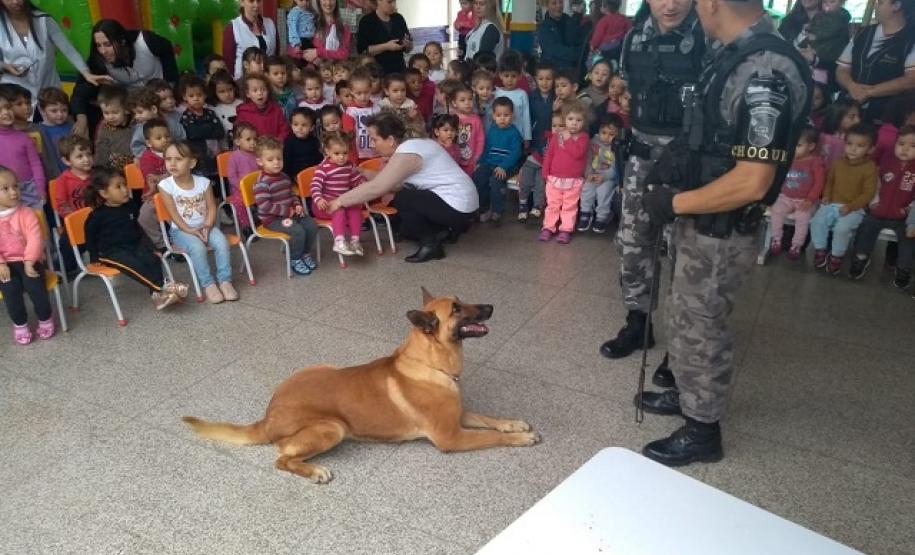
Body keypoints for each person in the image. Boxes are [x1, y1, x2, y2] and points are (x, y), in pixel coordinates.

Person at [636, 0, 811, 466]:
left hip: (722, 227)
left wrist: (673, 204)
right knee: (685, 314)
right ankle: (686, 393)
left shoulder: (765, 70)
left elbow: (753, 180)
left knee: (702, 324)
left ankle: (702, 430)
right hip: (701, 218)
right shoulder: (732, 53)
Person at [599, 0, 707, 365]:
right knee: (633, 242)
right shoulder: (634, 39)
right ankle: (638, 322)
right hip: (641, 157)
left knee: (683, 251)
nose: (670, 5)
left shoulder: (709, 38)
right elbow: (627, 88)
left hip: (687, 162)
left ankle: (680, 345)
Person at [326, 113, 478, 262]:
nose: (372, 145)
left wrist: (339, 201)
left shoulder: (407, 152)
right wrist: (363, 172)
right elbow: (391, 182)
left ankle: (431, 245)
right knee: (406, 208)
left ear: (391, 140)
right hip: (465, 204)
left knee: (403, 198)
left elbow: (379, 187)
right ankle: (444, 231)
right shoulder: (417, 144)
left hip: (458, 206)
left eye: (375, 139)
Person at [83, 167, 188, 311]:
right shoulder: (98, 216)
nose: (125, 189)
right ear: (104, 193)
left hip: (134, 244)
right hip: (112, 252)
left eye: (124, 184)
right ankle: (164, 287)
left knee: (153, 258)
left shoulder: (131, 204)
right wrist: (93, 255)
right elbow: (89, 234)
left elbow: (137, 228)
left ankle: (158, 296)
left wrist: (151, 247)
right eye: (118, 187)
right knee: (135, 265)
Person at [158, 141, 237, 304]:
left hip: (205, 226)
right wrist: (189, 230)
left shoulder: (203, 182)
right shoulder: (165, 185)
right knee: (197, 247)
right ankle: (208, 284)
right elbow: (173, 214)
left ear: (192, 163)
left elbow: (212, 207)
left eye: (178, 159)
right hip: (181, 231)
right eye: (168, 159)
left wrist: (207, 226)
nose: (172, 163)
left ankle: (225, 281)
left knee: (222, 243)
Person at [0, 0, 109, 116]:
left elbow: (68, 49)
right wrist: (5, 66)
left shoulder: (43, 19)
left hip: (49, 91)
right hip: (14, 94)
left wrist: (86, 73)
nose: (15, 2)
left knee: (56, 120)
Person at [70, 19, 177, 137]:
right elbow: (80, 91)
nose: (103, 51)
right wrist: (81, 119)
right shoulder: (99, 60)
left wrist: (169, 89)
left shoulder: (145, 41)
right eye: (98, 46)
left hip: (162, 97)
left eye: (108, 44)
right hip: (133, 109)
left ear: (122, 41)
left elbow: (167, 50)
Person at [848, 125, 915, 284]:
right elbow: (875, 182)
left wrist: (908, 211)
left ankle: (903, 268)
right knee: (866, 229)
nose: (905, 149)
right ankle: (861, 258)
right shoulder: (886, 160)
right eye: (901, 144)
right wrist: (874, 202)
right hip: (878, 211)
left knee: (909, 238)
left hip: (902, 216)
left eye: (913, 146)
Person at [810, 123, 879, 274]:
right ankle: (820, 250)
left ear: (871, 149)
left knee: (842, 229)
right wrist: (826, 195)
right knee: (817, 221)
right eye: (849, 144)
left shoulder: (870, 168)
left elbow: (868, 193)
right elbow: (830, 181)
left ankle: (837, 256)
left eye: (860, 146)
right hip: (832, 203)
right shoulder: (838, 162)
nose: (853, 149)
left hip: (855, 209)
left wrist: (851, 207)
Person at [836, 0, 915, 124]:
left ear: (896, 6)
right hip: (847, 110)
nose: (875, 5)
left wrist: (870, 92)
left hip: (885, 115)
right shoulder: (862, 33)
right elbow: (842, 69)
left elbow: (911, 80)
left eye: (880, 2)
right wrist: (851, 86)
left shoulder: (910, 39)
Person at [0, 165, 54, 344]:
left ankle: (45, 319)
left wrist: (30, 261)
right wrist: (1, 264)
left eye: (15, 186)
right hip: (5, 264)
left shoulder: (27, 213)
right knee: (10, 290)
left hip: (29, 259)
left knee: (35, 286)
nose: (13, 192)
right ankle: (20, 324)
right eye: (5, 189)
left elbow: (35, 239)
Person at [253, 136, 319, 274]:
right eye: (270, 160)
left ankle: (304, 253)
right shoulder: (262, 182)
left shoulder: (284, 176)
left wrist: (297, 205)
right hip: (272, 219)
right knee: (297, 231)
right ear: (260, 162)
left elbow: (291, 194)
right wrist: (288, 211)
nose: (276, 163)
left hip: (290, 213)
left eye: (279, 158)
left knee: (311, 225)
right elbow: (265, 206)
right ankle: (295, 258)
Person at [768, 126, 826, 260]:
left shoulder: (816, 163)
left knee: (802, 217)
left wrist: (810, 199)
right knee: (777, 210)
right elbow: (777, 177)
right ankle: (776, 239)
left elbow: (819, 184)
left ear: (811, 146)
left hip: (805, 200)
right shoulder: (786, 159)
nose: (793, 148)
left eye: (798, 145)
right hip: (785, 197)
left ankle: (796, 245)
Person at [539, 101, 590, 244]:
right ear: (565, 119)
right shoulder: (557, 136)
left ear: (584, 122)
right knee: (552, 205)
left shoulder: (583, 138)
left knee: (569, 206)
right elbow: (549, 155)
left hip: (573, 180)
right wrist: (545, 172)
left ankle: (565, 230)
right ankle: (548, 227)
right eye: (570, 119)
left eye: (578, 120)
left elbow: (578, 154)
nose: (574, 123)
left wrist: (568, 139)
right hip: (554, 178)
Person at [310, 132, 366, 256]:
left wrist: (363, 184)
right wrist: (319, 199)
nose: (341, 157)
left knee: (356, 209)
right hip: (323, 205)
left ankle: (355, 241)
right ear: (327, 151)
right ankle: (339, 242)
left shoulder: (349, 166)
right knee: (339, 211)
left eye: (345, 153)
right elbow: (315, 186)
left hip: (341, 202)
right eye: (337, 153)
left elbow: (356, 179)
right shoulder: (323, 168)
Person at [473, 97, 523, 224]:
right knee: (479, 176)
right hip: (490, 163)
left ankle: (497, 210)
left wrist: (503, 166)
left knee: (496, 180)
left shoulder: (514, 133)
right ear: (493, 116)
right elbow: (487, 149)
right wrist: (480, 162)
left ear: (512, 116)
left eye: (506, 115)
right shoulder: (492, 130)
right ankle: (484, 208)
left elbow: (516, 153)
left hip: (508, 167)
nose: (502, 118)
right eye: (499, 115)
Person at [53, 135, 94, 274]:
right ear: (66, 160)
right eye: (80, 156)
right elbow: (61, 204)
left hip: (97, 220)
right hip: (75, 223)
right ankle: (67, 266)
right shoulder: (62, 181)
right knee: (65, 243)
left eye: (89, 154)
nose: (86, 159)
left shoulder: (97, 176)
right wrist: (74, 218)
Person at [0, 84, 44, 208]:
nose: (6, 112)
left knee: (36, 219)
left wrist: (40, 188)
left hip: (30, 189)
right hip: (4, 191)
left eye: (8, 108)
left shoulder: (24, 138)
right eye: (0, 110)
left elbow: (36, 164)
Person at [578, 113, 621, 234]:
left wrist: (604, 176)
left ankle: (602, 216)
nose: (606, 137)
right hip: (593, 173)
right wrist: (588, 174)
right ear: (599, 131)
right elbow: (587, 160)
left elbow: (617, 167)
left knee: (603, 191)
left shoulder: (617, 147)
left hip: (608, 177)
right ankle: (586, 213)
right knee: (587, 188)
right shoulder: (593, 142)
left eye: (611, 134)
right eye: (604, 133)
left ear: (618, 134)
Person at [223, 0, 279, 79]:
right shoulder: (233, 27)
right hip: (243, 81)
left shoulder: (270, 23)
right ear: (242, 2)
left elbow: (276, 53)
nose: (256, 5)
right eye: (251, 1)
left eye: (258, 1)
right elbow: (229, 61)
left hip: (268, 80)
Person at [357, 0, 412, 75]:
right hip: (377, 71)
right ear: (379, 1)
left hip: (399, 69)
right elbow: (362, 51)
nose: (394, 5)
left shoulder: (399, 18)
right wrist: (386, 46)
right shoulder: (366, 21)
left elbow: (408, 49)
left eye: (395, 1)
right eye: (389, 2)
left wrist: (408, 45)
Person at [235, 74, 290, 143]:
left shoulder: (276, 109)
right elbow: (240, 134)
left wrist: (278, 141)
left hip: (274, 147)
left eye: (263, 89)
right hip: (253, 147)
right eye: (255, 90)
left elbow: (284, 129)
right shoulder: (243, 112)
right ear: (248, 94)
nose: (260, 93)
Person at [227, 122, 259, 236]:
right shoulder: (234, 157)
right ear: (237, 142)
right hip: (240, 190)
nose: (253, 142)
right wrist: (242, 187)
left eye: (255, 139)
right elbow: (231, 177)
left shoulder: (258, 154)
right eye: (248, 139)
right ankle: (246, 226)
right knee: (238, 203)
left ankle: (262, 219)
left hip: (257, 187)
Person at [537, 0, 586, 73]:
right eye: (554, 3)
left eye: (560, 2)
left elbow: (579, 41)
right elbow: (555, 50)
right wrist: (578, 53)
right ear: (547, 6)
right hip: (552, 71)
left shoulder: (570, 21)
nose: (558, 6)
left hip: (571, 70)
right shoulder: (544, 27)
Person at [94, 85, 134, 172]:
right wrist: (98, 169)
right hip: (114, 171)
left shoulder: (136, 123)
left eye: (115, 112)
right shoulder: (105, 128)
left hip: (136, 168)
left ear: (126, 109)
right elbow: (101, 150)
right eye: (106, 113)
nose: (110, 117)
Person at [284, 107, 323, 179]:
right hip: (296, 176)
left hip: (314, 175)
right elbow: (286, 163)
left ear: (311, 127)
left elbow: (319, 160)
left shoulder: (315, 141)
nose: (299, 128)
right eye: (296, 124)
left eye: (304, 125)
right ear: (291, 125)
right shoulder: (289, 142)